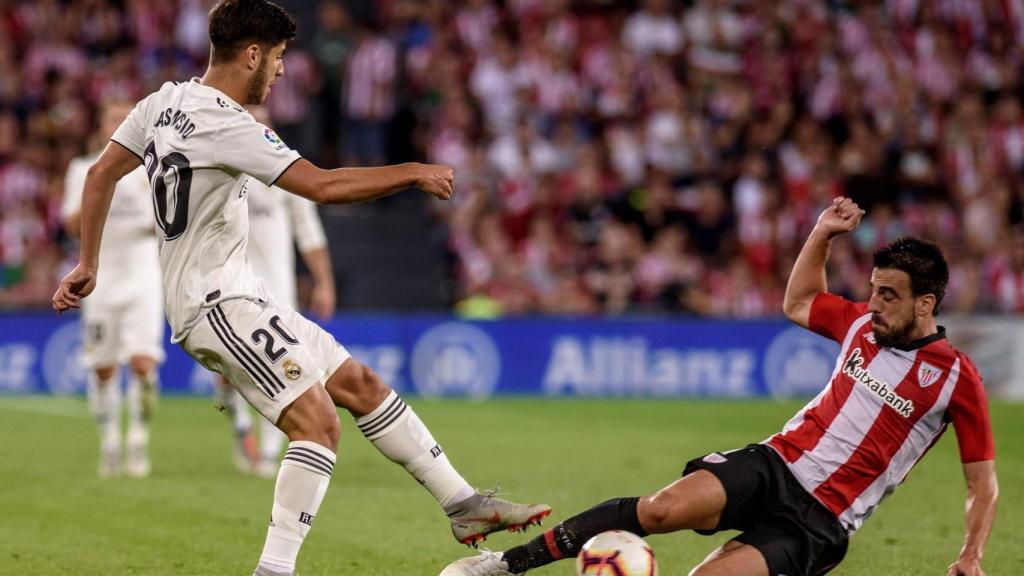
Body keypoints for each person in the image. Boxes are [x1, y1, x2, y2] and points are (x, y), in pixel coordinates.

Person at [51, 2, 549, 575]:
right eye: (280, 57)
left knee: (359, 384)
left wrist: (88, 262)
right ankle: (274, 570)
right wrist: (412, 171)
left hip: (243, 295)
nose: (283, 71)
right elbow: (323, 185)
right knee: (317, 424)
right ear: (253, 54)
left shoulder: (161, 103)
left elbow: (99, 175)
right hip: (215, 304)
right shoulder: (228, 125)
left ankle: (463, 504)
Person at [441, 197, 998, 576]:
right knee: (659, 511)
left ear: (926, 304)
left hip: (820, 520)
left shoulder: (955, 377)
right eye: (874, 290)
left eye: (890, 296)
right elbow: (798, 302)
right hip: (775, 464)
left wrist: (971, 554)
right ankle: (504, 566)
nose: (873, 303)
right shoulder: (859, 323)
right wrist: (823, 233)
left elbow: (982, 484)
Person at [217, 106, 334, 478]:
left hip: (275, 288)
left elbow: (308, 232)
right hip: (228, 286)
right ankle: (239, 426)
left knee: (282, 370)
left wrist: (324, 282)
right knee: (225, 373)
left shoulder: (285, 167)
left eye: (262, 119)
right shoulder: (219, 166)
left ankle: (268, 453)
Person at [61, 100, 165, 479]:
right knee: (103, 368)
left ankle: (138, 439)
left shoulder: (153, 169)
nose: (119, 124)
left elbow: (168, 221)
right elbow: (71, 225)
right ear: (102, 125)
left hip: (143, 275)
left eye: (126, 118)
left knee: (142, 362)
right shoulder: (83, 169)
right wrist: (99, 194)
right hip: (99, 278)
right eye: (112, 118)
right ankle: (109, 442)